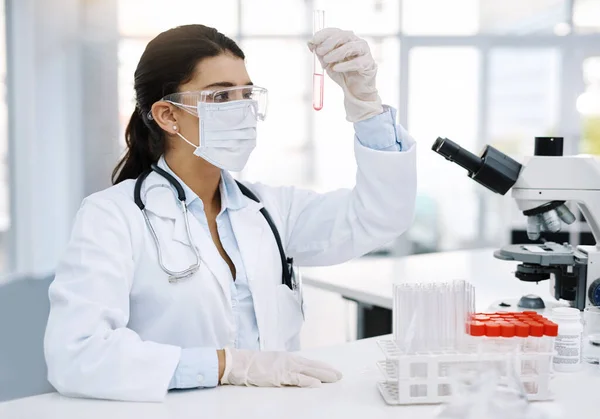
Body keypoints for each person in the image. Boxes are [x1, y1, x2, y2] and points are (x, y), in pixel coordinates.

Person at [44, 24, 417, 402]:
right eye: (220, 96)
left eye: (246, 94)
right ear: (168, 116)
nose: (242, 110)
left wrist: (367, 106)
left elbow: (379, 216)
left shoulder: (270, 210)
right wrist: (226, 365)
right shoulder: (112, 217)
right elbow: (77, 353)